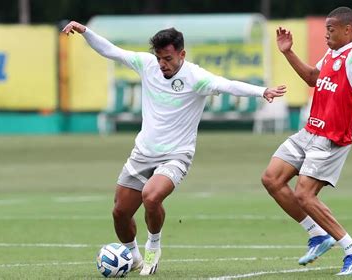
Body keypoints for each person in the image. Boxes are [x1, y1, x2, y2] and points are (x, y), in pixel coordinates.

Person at [62, 21, 286, 276]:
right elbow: (111, 51)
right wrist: (85, 31)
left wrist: (263, 91)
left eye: (167, 58)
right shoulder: (147, 66)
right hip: (142, 153)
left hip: (176, 156)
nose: (162, 64)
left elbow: (227, 85)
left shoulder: (196, 78)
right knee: (120, 212)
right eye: (159, 58)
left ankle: (153, 246)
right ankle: (132, 256)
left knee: (151, 195)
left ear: (182, 54)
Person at [261, 7, 352, 276]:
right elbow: (313, 78)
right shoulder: (331, 52)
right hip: (310, 131)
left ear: (348, 30)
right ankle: (317, 235)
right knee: (271, 179)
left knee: (304, 193)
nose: (326, 34)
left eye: (331, 29)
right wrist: (288, 52)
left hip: (331, 138)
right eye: (325, 29)